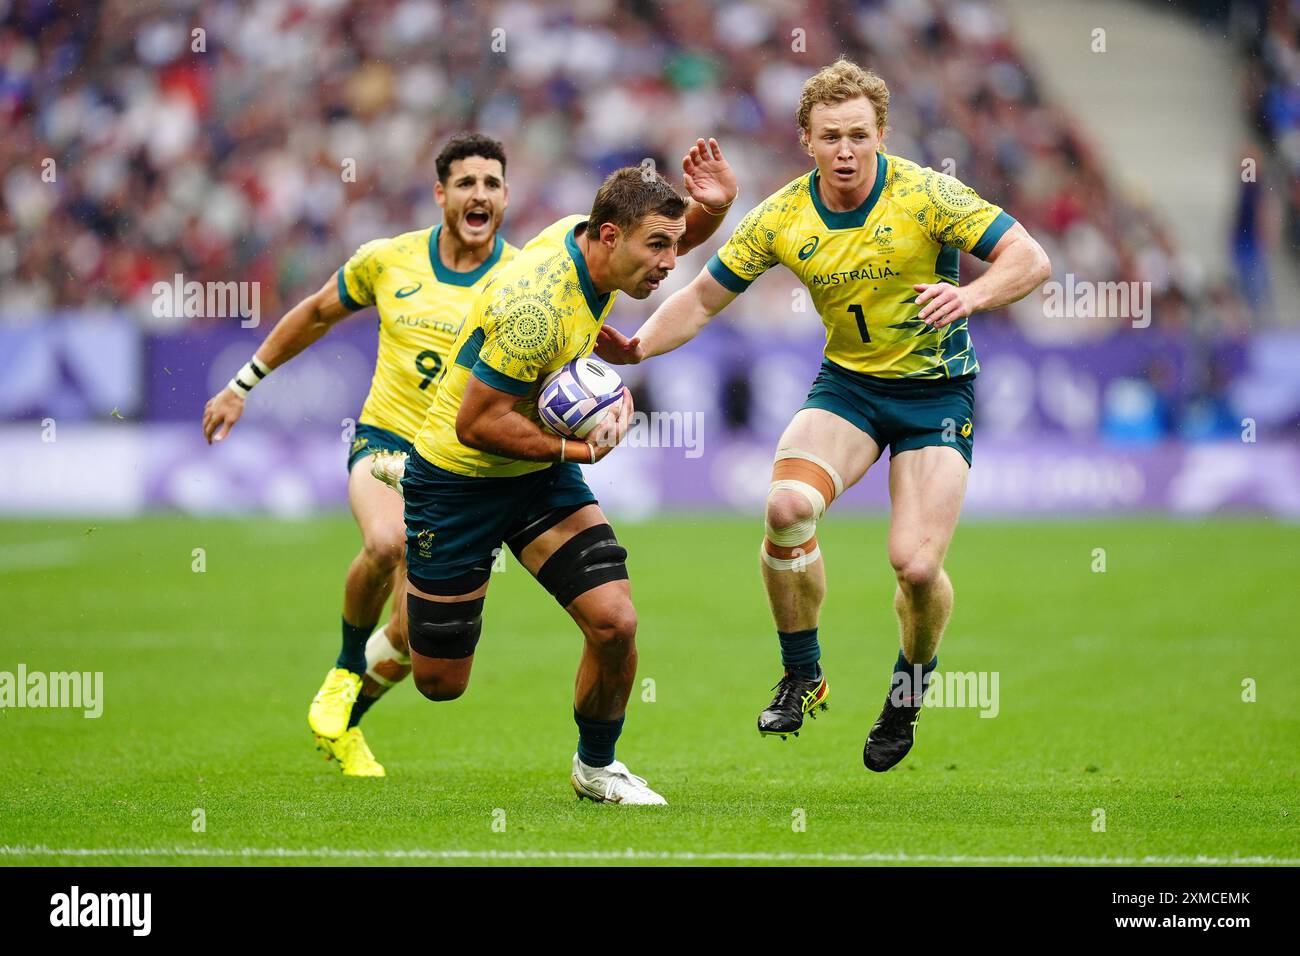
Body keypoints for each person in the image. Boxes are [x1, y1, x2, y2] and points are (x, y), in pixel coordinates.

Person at [597, 61, 1051, 771]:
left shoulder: (929, 195)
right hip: (850, 389)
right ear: (805, 139)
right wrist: (638, 345)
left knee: (917, 566)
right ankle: (803, 675)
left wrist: (971, 297)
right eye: (831, 135)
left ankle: (907, 689)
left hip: (936, 392)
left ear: (881, 136)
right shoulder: (782, 215)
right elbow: (703, 298)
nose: (846, 150)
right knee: (784, 507)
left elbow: (1030, 258)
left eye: (859, 135)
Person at [399, 141, 736, 803]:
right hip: (455, 480)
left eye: (673, 246)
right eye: (658, 250)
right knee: (440, 683)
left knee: (616, 622)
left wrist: (714, 210)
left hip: (532, 482)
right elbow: (477, 423)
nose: (669, 264)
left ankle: (597, 767)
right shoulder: (537, 310)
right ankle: (404, 553)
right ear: (607, 236)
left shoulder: (593, 244)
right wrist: (579, 452)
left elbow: (665, 233)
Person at [202, 134, 517, 776]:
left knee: (408, 636)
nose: (479, 194)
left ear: (505, 196)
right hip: (386, 442)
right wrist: (242, 385)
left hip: (457, 470)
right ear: (442, 194)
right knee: (386, 544)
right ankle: (346, 669)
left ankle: (344, 722)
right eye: (466, 183)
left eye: (491, 183)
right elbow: (317, 313)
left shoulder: (522, 279)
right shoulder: (388, 261)